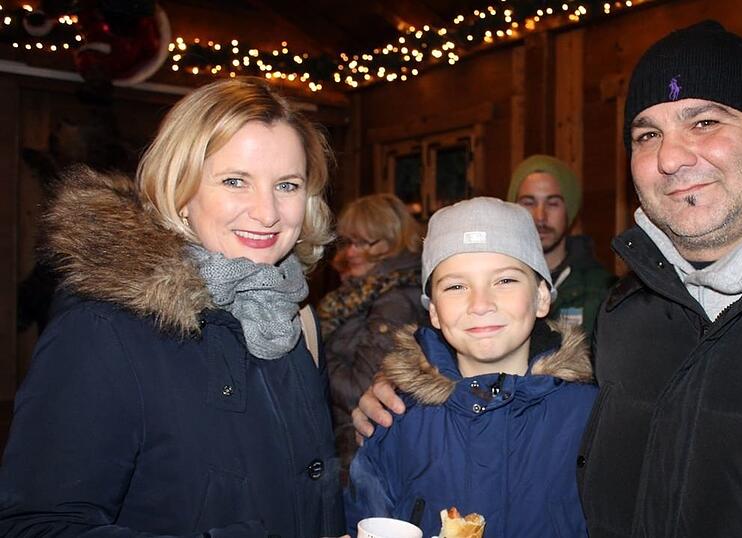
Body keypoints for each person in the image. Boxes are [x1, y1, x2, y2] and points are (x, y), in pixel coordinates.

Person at [354, 20, 742, 537]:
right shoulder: (630, 317)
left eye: (703, 122)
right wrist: (421, 390)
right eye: (648, 134)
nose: (671, 157)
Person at [0, 77, 346, 537]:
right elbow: (38, 525)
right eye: (234, 181)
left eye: (287, 184)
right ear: (180, 192)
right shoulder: (101, 330)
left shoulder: (292, 315)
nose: (267, 212)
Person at [345, 197, 596, 537]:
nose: (480, 304)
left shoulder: (590, 415)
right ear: (433, 310)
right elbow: (366, 514)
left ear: (541, 297)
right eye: (456, 286)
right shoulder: (395, 416)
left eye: (505, 281)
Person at [318, 193, 428, 469]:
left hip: (361, 454)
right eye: (349, 242)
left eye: (364, 243)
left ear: (393, 241)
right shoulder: (363, 292)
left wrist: (313, 351)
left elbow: (362, 389)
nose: (352, 252)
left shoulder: (395, 301)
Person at [508, 155, 615, 337]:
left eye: (552, 203)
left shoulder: (602, 291)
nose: (540, 217)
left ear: (569, 210)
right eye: (529, 202)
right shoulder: (496, 282)